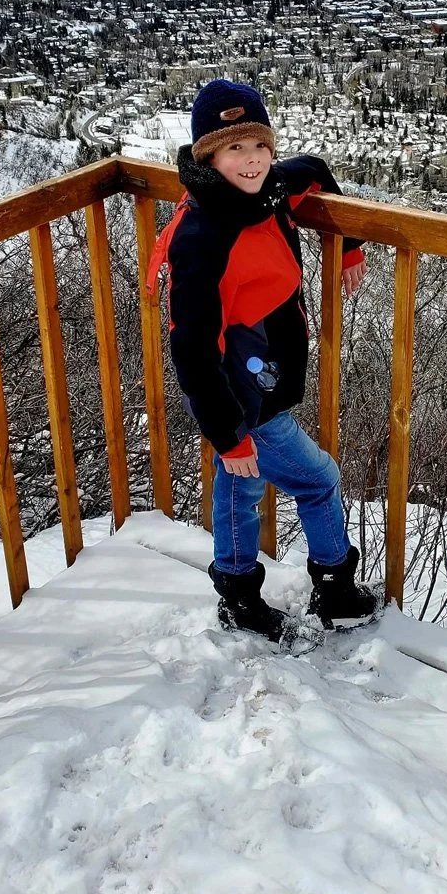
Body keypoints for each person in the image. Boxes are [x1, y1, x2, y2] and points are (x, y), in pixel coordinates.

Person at [147, 78, 379, 643]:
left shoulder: (269, 189)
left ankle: (239, 596)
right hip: (242, 391)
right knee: (317, 479)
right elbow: (191, 349)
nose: (252, 161)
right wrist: (229, 433)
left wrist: (349, 246)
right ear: (208, 154)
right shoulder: (201, 236)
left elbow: (317, 170)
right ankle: (335, 590)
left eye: (259, 146)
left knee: (240, 485)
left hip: (261, 379)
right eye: (235, 149)